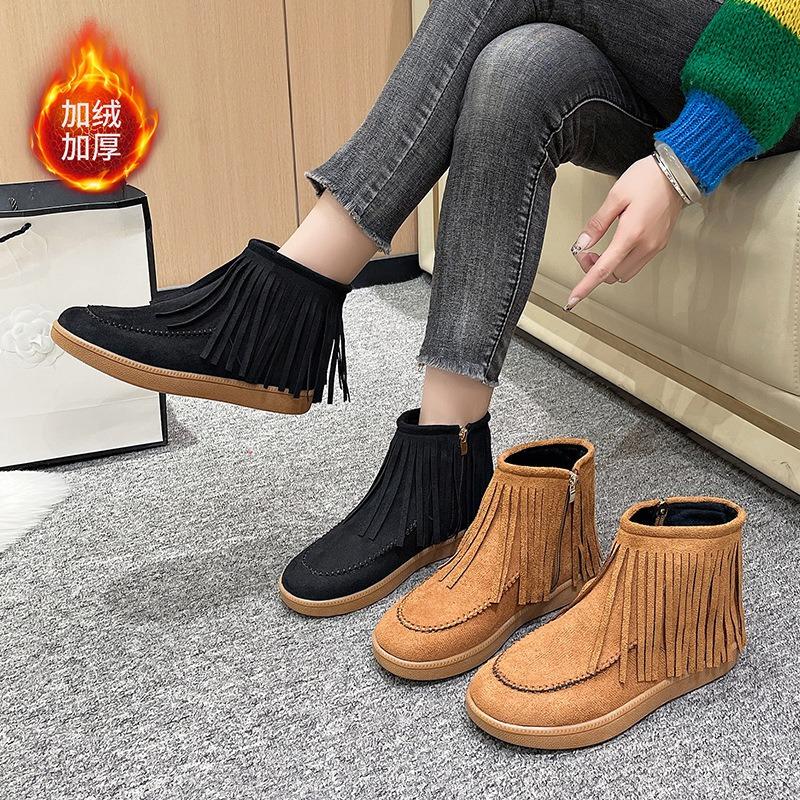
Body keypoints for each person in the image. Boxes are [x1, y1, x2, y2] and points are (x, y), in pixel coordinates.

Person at [53, 0, 800, 615]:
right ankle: (448, 460)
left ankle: (289, 298)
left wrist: (683, 163)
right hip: (687, 48)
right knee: (517, 70)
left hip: (774, 62)